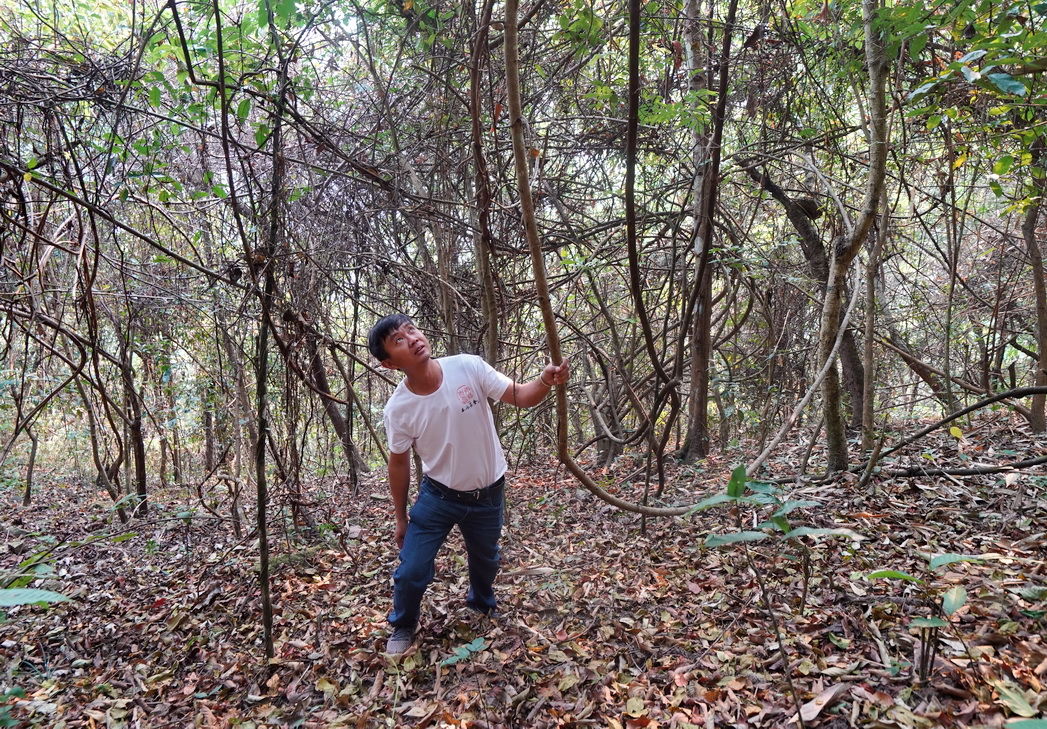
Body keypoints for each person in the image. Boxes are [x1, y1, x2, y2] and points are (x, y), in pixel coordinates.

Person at [366, 314, 570, 655]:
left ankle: (481, 604)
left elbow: (519, 395)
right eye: (398, 340)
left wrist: (546, 381)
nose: (412, 338)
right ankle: (403, 624)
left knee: (486, 559)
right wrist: (400, 517)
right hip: (439, 495)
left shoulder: (467, 367)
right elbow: (398, 463)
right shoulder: (399, 409)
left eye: (412, 329)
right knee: (412, 568)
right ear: (388, 363)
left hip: (488, 492)